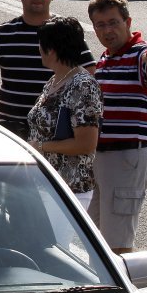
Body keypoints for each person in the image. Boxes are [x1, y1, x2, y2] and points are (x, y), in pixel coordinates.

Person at [0, 0, 96, 137]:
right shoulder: (2, 34)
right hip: (11, 132)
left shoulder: (68, 34)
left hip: (54, 135)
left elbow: (90, 78)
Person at [87, 0, 147, 254]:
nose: (108, 30)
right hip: (102, 160)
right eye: (101, 25)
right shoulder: (106, 58)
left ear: (128, 23)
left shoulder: (139, 55)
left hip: (126, 159)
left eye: (113, 23)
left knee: (118, 247)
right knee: (95, 242)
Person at [27, 16, 103, 210]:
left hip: (69, 189)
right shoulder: (55, 81)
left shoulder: (83, 85)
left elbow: (86, 144)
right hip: (46, 183)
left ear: (50, 50)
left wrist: (40, 146)